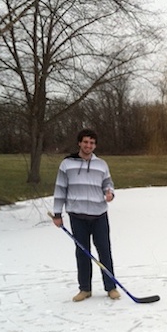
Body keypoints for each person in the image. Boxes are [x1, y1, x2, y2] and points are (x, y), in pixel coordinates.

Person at [52, 128, 120, 302]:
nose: (88, 146)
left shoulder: (101, 164)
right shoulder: (67, 164)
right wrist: (57, 214)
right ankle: (85, 289)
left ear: (94, 145)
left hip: (99, 214)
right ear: (79, 143)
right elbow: (60, 189)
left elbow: (108, 183)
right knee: (82, 253)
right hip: (77, 215)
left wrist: (109, 192)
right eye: (85, 142)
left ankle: (111, 287)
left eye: (92, 143)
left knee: (104, 251)